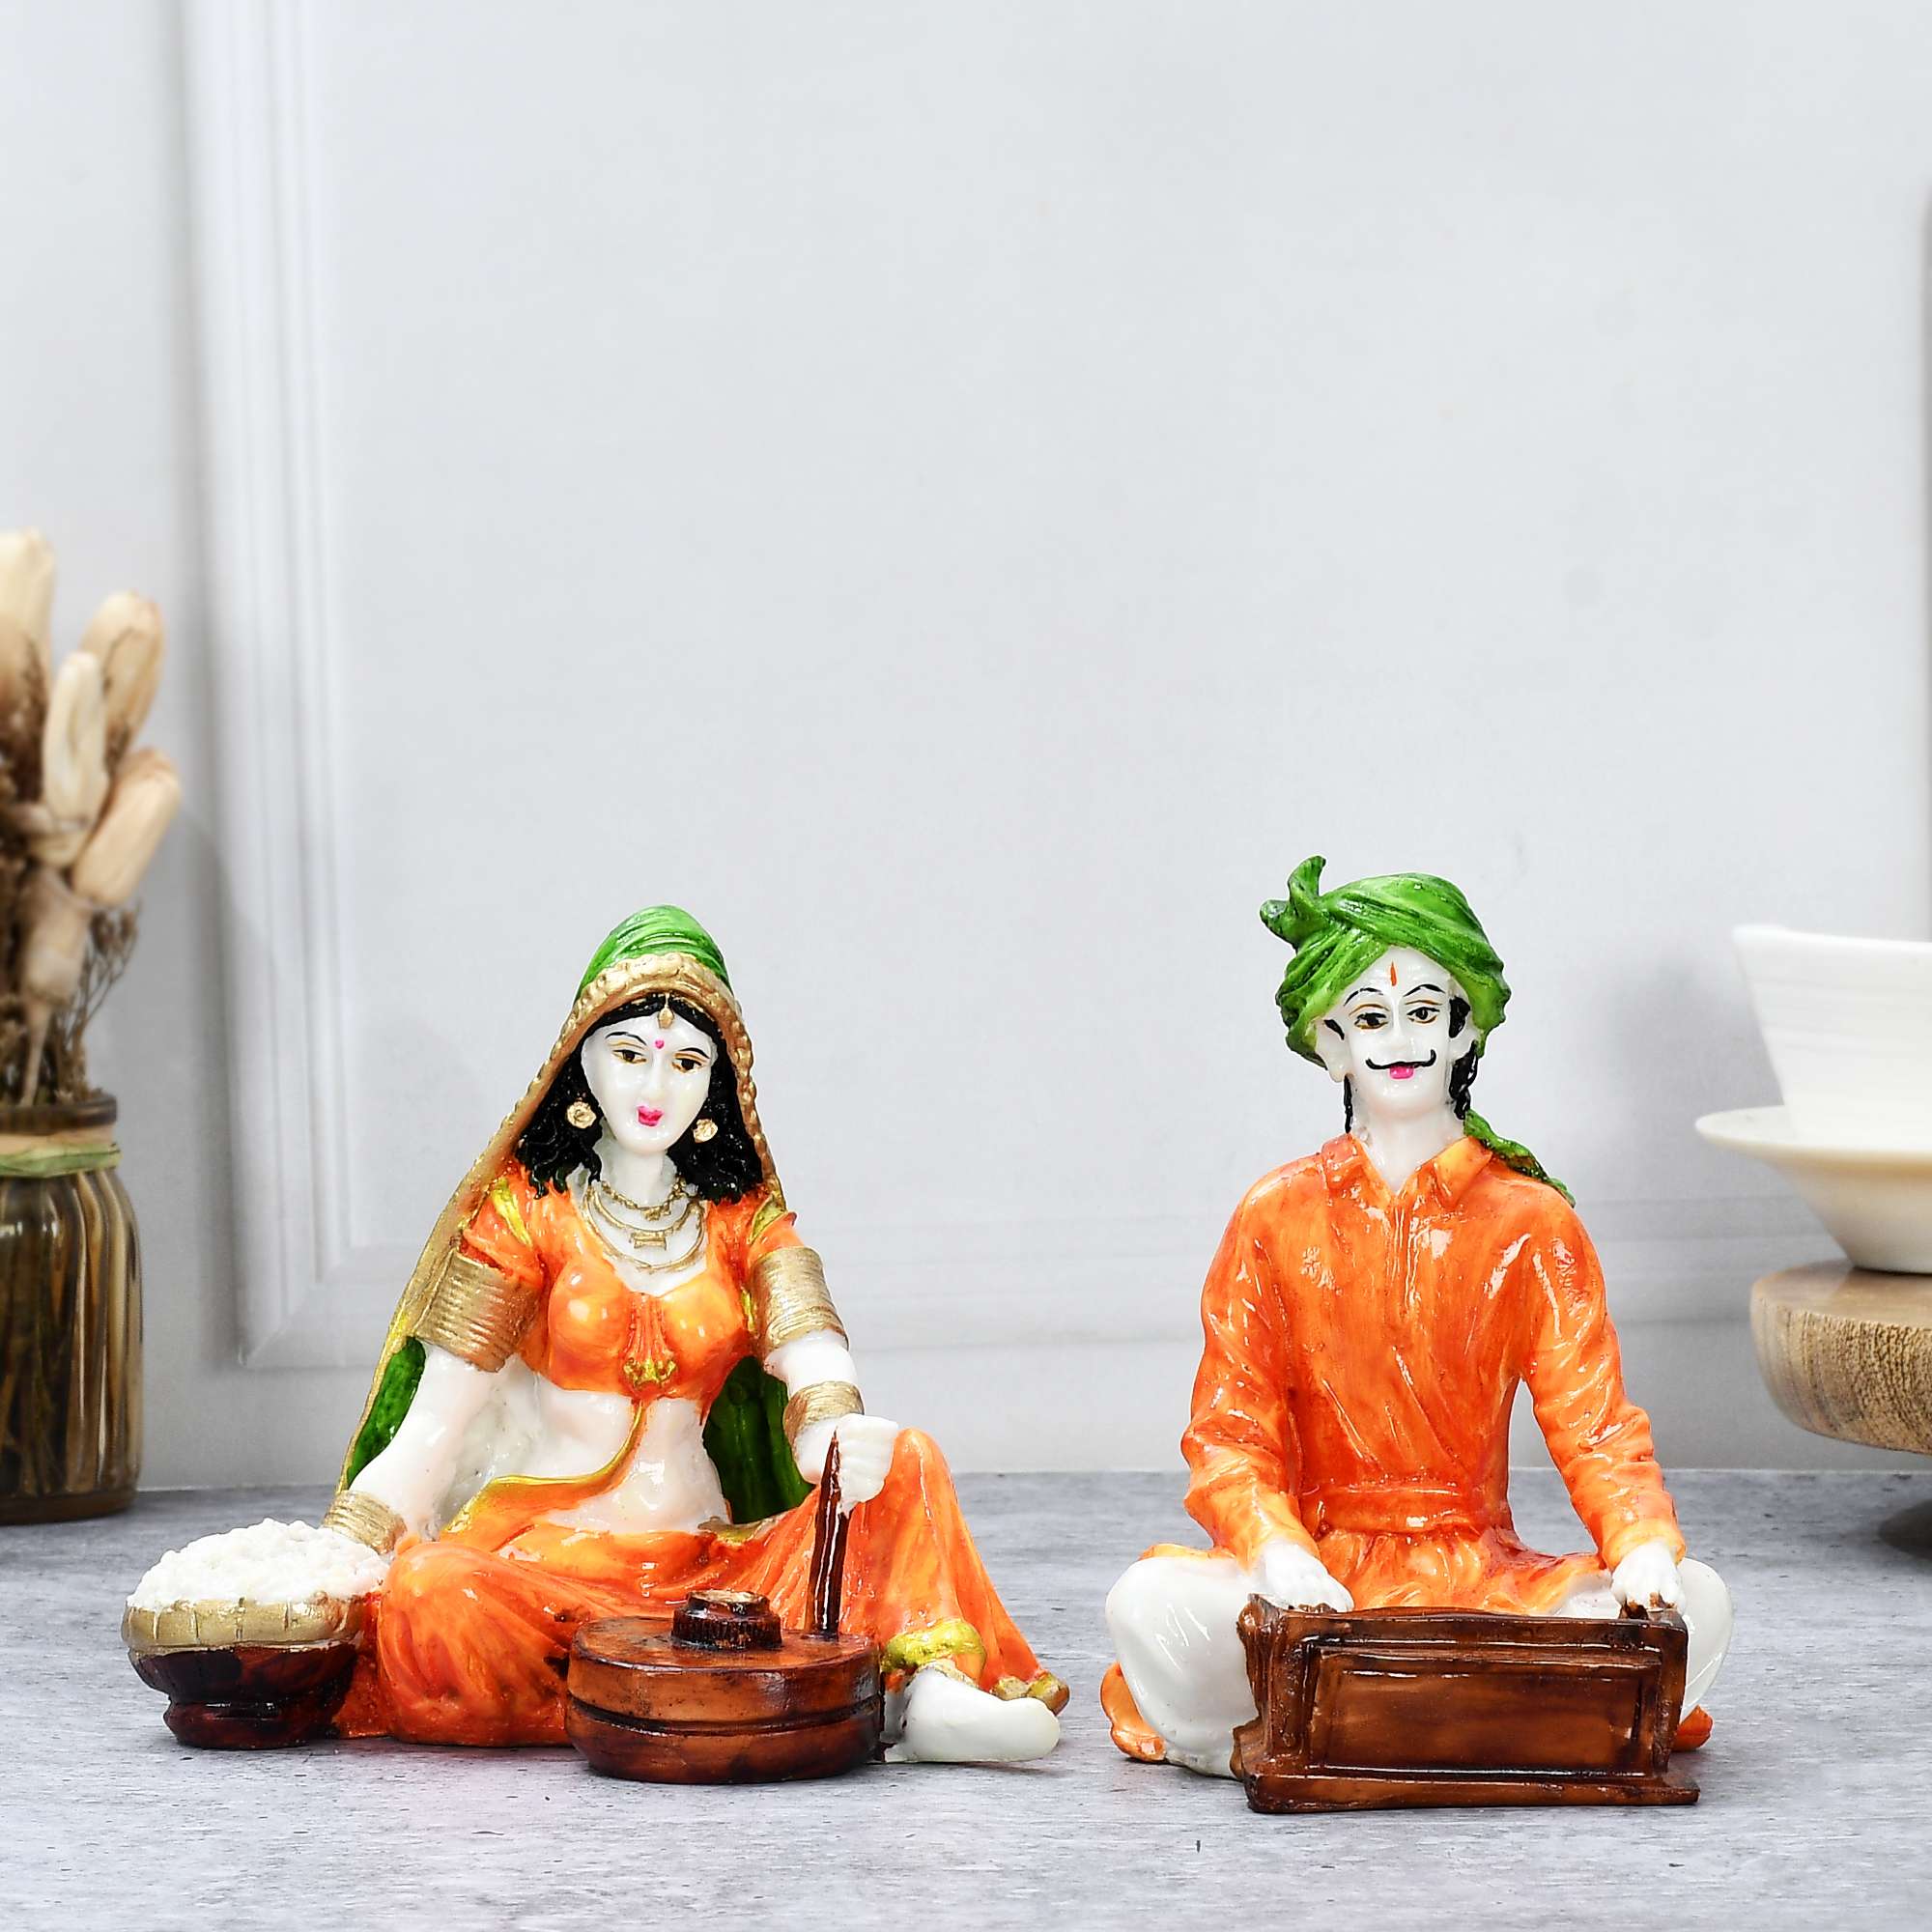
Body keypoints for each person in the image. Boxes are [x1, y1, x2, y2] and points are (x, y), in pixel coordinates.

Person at [303, 904, 1063, 1760]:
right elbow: (431, 1433)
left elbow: (813, 1355)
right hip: (549, 1575)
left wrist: (831, 1433)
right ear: (580, 1060)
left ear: (718, 1085)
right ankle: (712, 1701)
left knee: (909, 1461)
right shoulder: (523, 1214)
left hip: (715, 1584)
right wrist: (332, 1560)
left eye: (686, 1062)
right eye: (630, 1055)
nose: (655, 1089)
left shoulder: (742, 1220)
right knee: (430, 1591)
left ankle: (930, 1690)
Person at [1101, 857, 1732, 1776]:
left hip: (1481, 1582)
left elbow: (1594, 1425)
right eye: (1370, 1017)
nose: (1399, 1040)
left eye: (1424, 1012)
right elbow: (1230, 1433)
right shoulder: (1276, 1216)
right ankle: (1481, 1725)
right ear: (1329, 1044)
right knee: (1148, 1602)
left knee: (1696, 1602)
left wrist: (1639, 1544)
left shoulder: (1531, 1222)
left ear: (1464, 1027)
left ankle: (1350, 1721)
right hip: (1320, 1582)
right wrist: (1276, 1553)